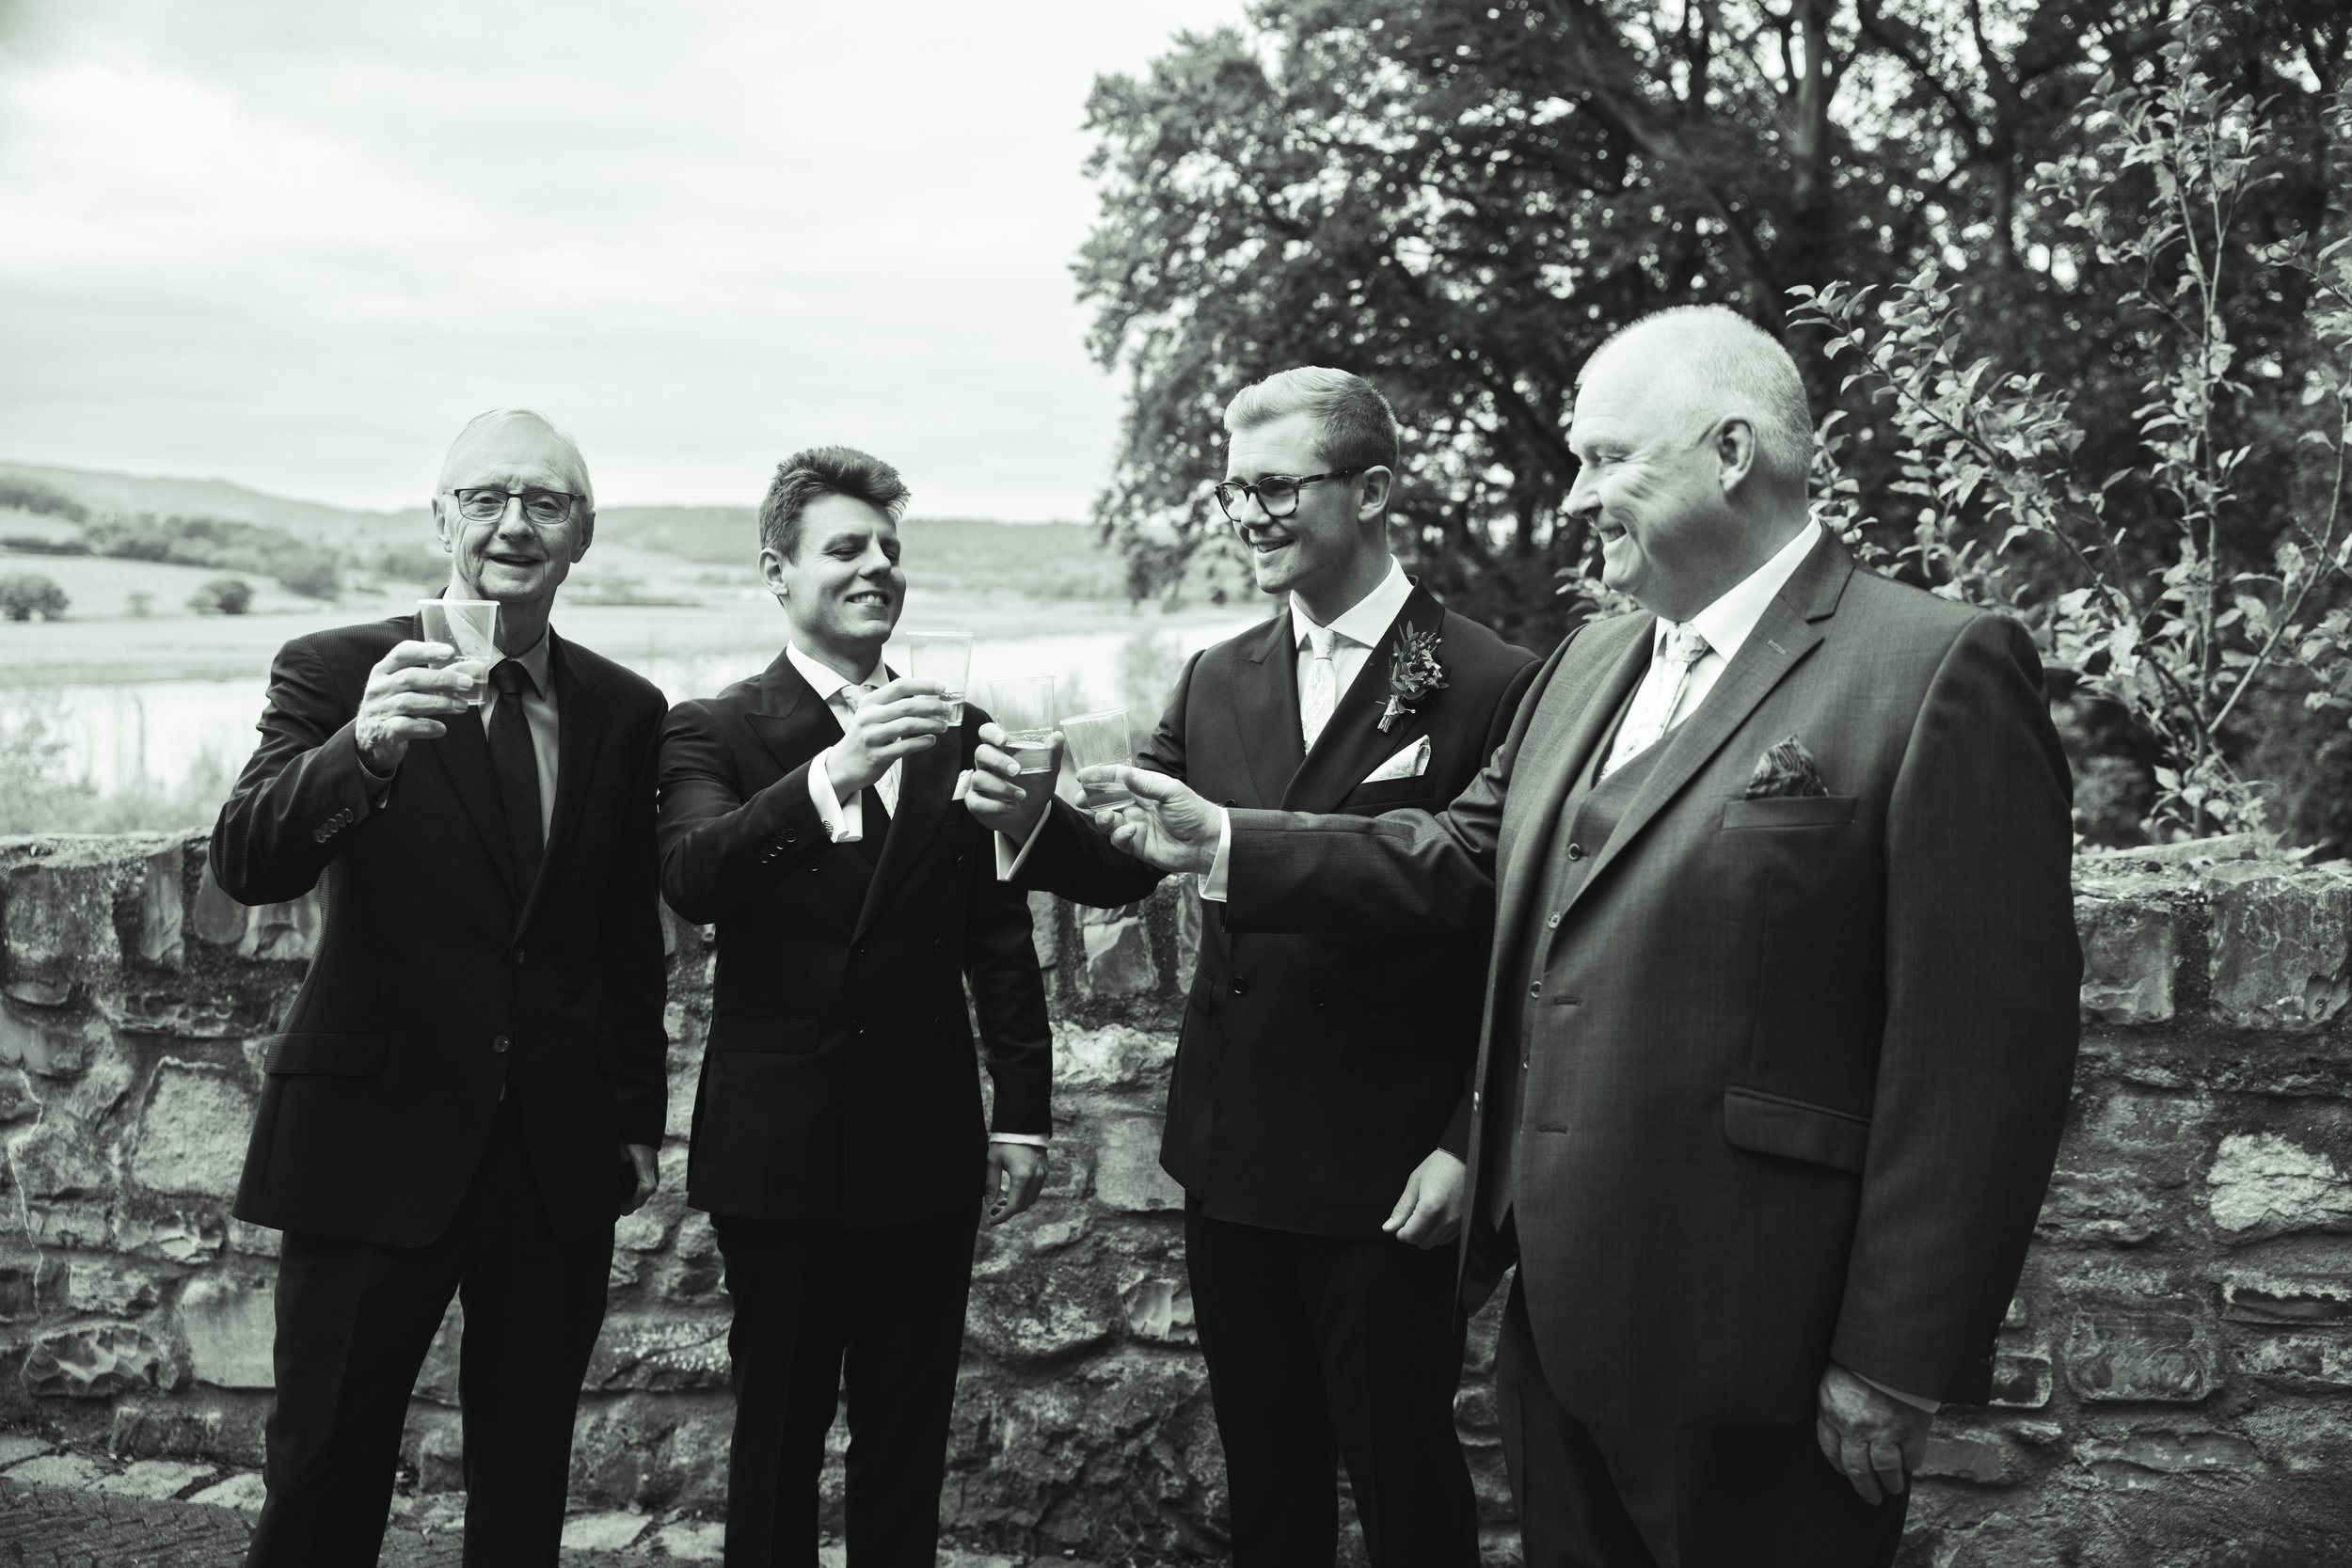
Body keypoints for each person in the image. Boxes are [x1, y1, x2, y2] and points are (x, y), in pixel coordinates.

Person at [1086, 309, 2083, 1567]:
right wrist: (1229, 838)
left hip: (1759, 1339)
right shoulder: (1587, 664)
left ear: (1730, 451)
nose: (1573, 497)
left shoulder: (1932, 666)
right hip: (1555, 1331)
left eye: (1605, 458)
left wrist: (1893, 1353)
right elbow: (1456, 854)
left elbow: (1979, 1049)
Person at [967, 368, 1538, 1567]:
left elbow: (1512, 927)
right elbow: (1135, 852)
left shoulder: (1494, 680)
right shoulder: (1215, 673)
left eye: (1275, 486)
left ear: (1370, 490)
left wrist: (1465, 1136)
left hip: (1390, 1166)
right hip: (1232, 1153)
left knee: (1406, 1484)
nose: (1247, 515)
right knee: (1266, 1481)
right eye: (1234, 490)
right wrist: (1032, 821)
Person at [211, 409, 669, 1567]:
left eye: (546, 502)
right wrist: (360, 749)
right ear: (440, 518)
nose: (514, 523)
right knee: (323, 1469)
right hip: (371, 1138)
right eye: (485, 497)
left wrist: (634, 1111)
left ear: (582, 534)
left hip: (553, 1151)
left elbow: (625, 933)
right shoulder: (335, 669)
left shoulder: (626, 709)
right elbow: (248, 859)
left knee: (526, 1474)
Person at [655, 445, 1054, 1568]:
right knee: (777, 1431)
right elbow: (694, 874)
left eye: (889, 547)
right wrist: (837, 769)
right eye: (846, 547)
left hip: (925, 1137)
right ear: (776, 571)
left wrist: (1023, 1109)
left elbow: (996, 933)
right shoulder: (712, 728)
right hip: (779, 1147)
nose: (877, 565)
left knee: (908, 1432)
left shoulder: (959, 728)